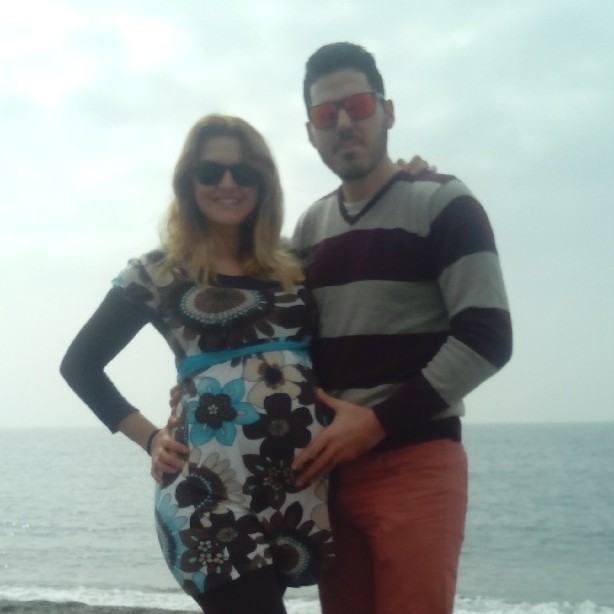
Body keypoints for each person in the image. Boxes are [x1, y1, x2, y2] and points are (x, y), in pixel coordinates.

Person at [60, 114, 335, 614]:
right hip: (205, 494)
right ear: (188, 182)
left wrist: (402, 175)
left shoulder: (297, 264)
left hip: (293, 494)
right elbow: (80, 364)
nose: (228, 183)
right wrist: (150, 437)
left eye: (243, 172)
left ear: (264, 183)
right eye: (211, 172)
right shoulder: (157, 273)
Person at [287, 42, 512, 614]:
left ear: (387, 112)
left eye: (358, 106)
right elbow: (281, 340)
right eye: (326, 114)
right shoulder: (309, 229)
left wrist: (377, 422)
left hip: (417, 461)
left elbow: (487, 336)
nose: (343, 123)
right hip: (332, 471)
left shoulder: (444, 202)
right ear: (311, 133)